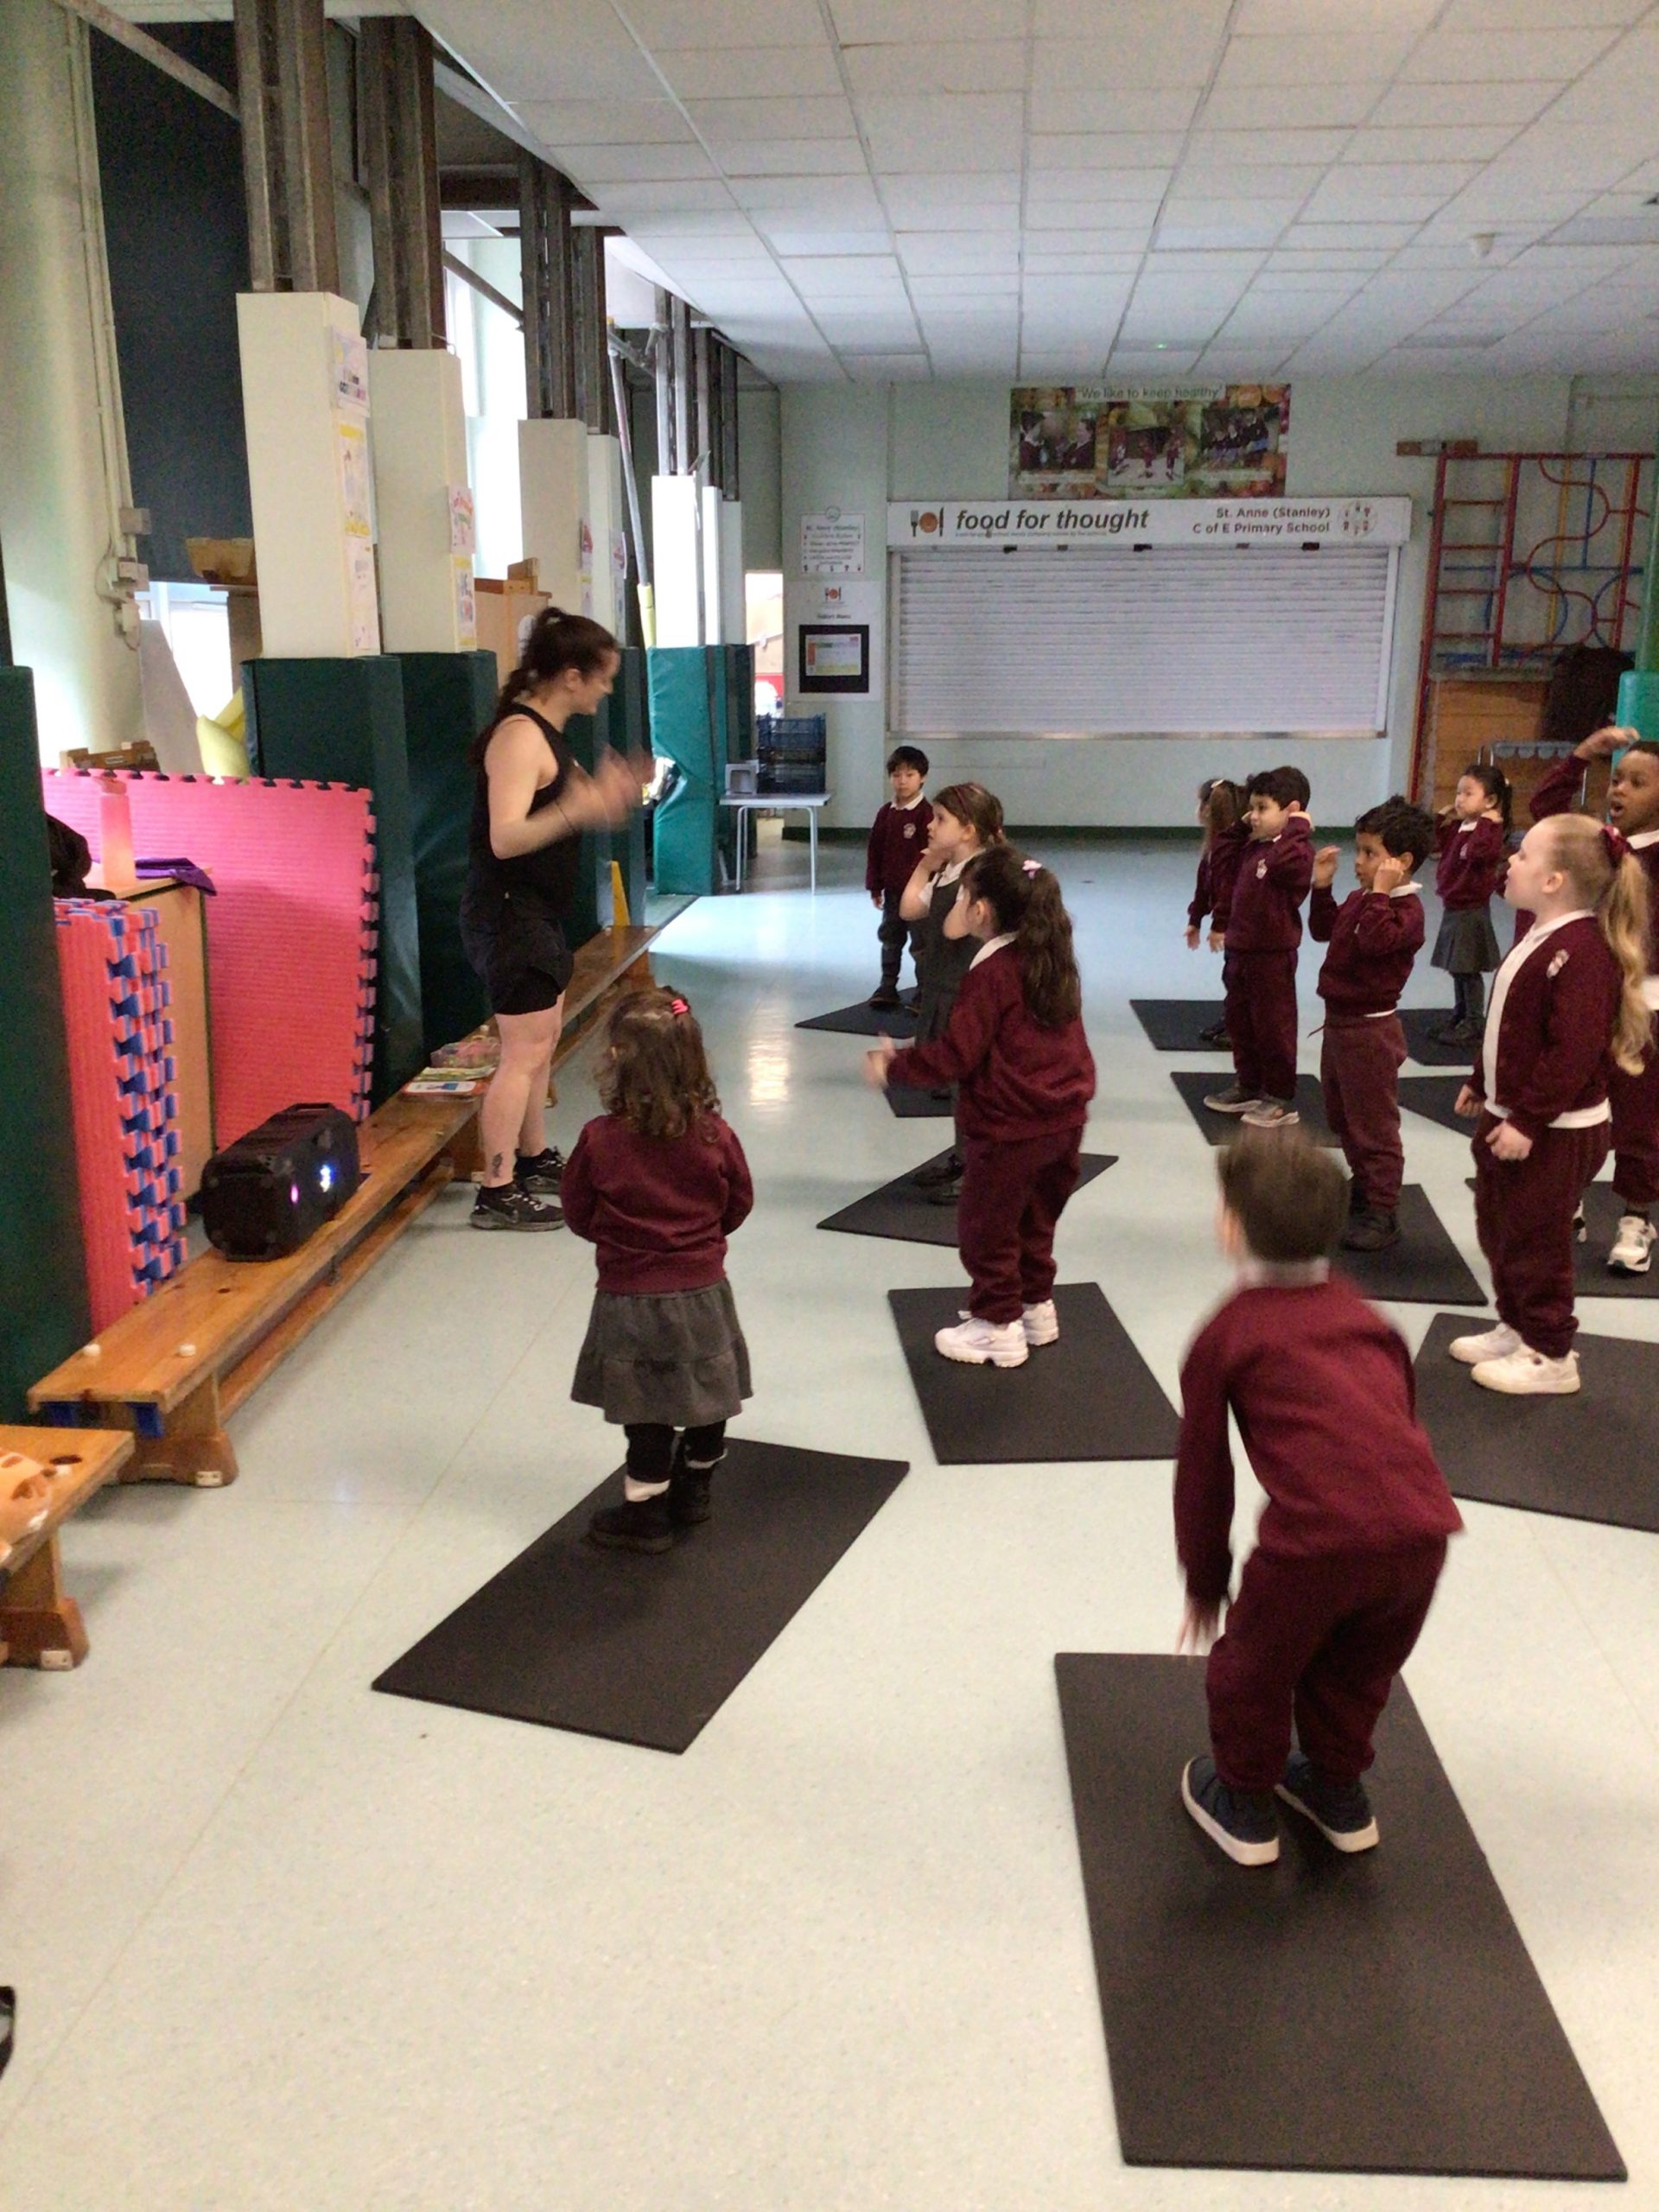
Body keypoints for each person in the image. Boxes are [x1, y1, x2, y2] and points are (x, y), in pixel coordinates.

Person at [1174, 1131, 1462, 1867]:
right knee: (1356, 1668)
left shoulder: (1225, 1335)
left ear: (1231, 1227)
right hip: (1422, 1537)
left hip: (1314, 1548)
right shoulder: (1370, 1321)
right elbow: (1402, 1423)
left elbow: (1205, 1474)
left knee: (1252, 1668)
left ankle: (1243, 1804)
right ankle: (1337, 1791)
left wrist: (1205, 1582)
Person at [865, 845, 1096, 1369]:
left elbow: (957, 1054)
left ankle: (997, 1325)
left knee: (987, 1230)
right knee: (1036, 1223)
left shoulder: (990, 974)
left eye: (963, 894)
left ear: (981, 910)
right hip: (1065, 1123)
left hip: (1009, 1131)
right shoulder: (1054, 961)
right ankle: (1036, 1307)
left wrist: (894, 1067)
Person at [1452, 813, 1652, 1394]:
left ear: (1553, 881)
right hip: (1513, 1115)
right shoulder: (1541, 935)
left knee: (1537, 1242)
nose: (1509, 862)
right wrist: (1481, 1082)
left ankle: (1551, 1352)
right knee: (1500, 1228)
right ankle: (1517, 1325)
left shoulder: (1583, 951)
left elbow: (1573, 1052)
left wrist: (1528, 1120)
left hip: (1554, 1130)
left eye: (1522, 855)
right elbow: (1510, 1026)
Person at [461, 608, 647, 1231]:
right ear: (571, 676)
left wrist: (603, 799)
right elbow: (507, 837)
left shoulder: (549, 735)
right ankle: (496, 1188)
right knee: (521, 1055)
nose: (608, 690)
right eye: (603, 677)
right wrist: (580, 809)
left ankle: (533, 1155)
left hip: (537, 913)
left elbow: (574, 808)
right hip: (508, 915)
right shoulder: (519, 738)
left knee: (541, 1048)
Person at [562, 988, 753, 1553]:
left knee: (645, 1411)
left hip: (629, 1298)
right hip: (703, 1293)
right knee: (709, 1392)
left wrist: (621, 1242)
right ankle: (696, 1488)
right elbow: (738, 1203)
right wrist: (701, 1242)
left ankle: (645, 1513)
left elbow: (577, 1212)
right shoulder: (715, 1135)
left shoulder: (599, 1139)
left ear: (617, 1061)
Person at [1528, 725, 1659, 1274]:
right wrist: (1581, 756)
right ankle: (1569, 1202)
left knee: (1640, 1118)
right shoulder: (1600, 847)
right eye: (1617, 779)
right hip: (1587, 1002)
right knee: (1573, 1106)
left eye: (1638, 783)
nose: (1619, 790)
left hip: (1646, 1010)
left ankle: (1636, 1216)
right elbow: (1546, 812)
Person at [1308, 798, 1436, 1254]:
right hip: (1339, 1026)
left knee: (1374, 1127)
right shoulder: (1363, 899)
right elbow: (1325, 930)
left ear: (1402, 862)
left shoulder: (1406, 912)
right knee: (1342, 1117)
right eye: (1358, 850)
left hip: (1370, 1033)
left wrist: (1380, 894)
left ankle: (1383, 1210)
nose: (1358, 862)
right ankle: (1363, 1185)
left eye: (1369, 853)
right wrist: (1322, 889)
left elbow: (1375, 942)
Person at [897, 782, 1006, 1205]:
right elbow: (909, 908)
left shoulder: (981, 874)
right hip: (944, 991)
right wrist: (927, 866)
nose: (930, 825)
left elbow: (953, 928)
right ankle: (963, 1157)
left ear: (968, 830)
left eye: (941, 819)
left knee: (977, 1091)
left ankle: (981, 1170)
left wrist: (967, 876)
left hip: (971, 997)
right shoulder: (949, 870)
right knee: (961, 1090)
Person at [1205, 766, 1313, 1130]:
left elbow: (1283, 862)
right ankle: (1248, 1084)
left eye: (1262, 808)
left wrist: (1296, 827)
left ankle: (1279, 1096)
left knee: (1273, 1028)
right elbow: (1221, 852)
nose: (1253, 816)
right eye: (1252, 808)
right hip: (1240, 951)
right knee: (1241, 1023)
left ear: (1292, 811)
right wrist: (1243, 824)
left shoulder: (1296, 852)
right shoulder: (1253, 846)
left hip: (1272, 957)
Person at [1431, 762, 1510, 1045]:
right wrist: (1441, 818)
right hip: (1454, 905)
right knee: (1457, 967)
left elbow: (1479, 853)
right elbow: (1436, 843)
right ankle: (1461, 1013)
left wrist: (1487, 822)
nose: (1460, 799)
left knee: (1468, 968)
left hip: (1471, 909)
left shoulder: (1488, 831)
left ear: (1490, 800)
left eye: (1468, 794)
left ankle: (1474, 1021)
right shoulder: (1462, 826)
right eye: (1458, 793)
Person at [866, 746, 932, 1011]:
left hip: (919, 894)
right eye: (896, 775)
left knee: (921, 944)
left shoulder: (926, 814)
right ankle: (887, 986)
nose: (902, 781)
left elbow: (933, 854)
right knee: (890, 938)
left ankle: (924, 991)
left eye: (910, 774)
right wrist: (875, 886)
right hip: (893, 892)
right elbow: (875, 850)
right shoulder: (886, 813)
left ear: (922, 777)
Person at [1185, 779, 1249, 1046]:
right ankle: (1232, 1018)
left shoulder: (1229, 851)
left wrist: (1219, 925)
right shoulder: (1212, 847)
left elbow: (1227, 891)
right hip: (1232, 924)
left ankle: (1240, 1027)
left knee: (1238, 976)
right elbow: (1204, 886)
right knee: (1231, 973)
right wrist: (1195, 919)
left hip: (1242, 925)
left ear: (1209, 809)